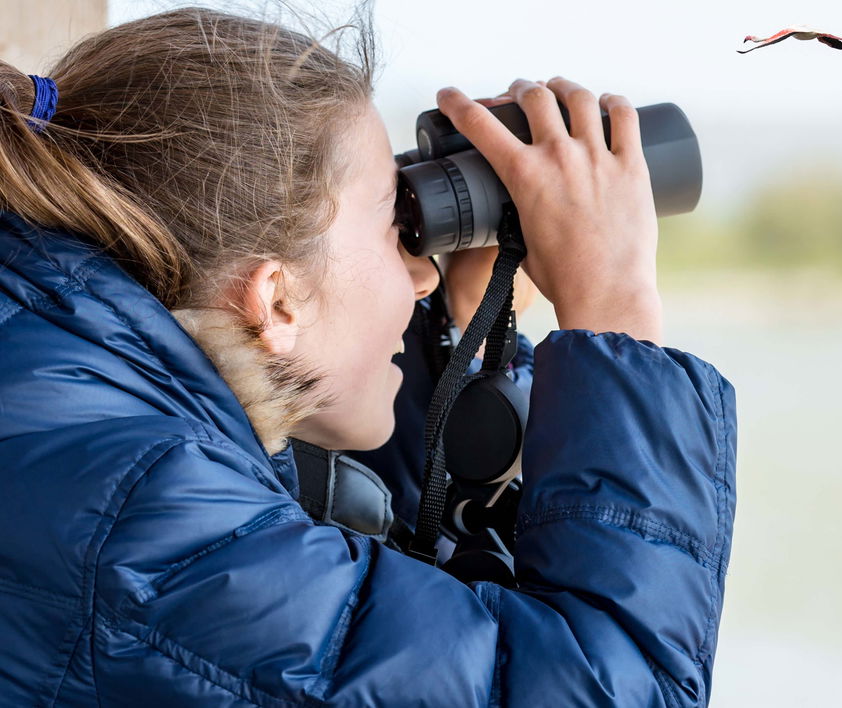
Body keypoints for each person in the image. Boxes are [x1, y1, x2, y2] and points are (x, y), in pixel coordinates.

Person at [0, 5, 737, 707]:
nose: (423, 274)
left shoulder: (71, 409)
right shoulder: (145, 521)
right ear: (276, 301)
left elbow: (370, 615)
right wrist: (615, 310)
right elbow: (617, 687)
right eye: (393, 221)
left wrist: (461, 332)